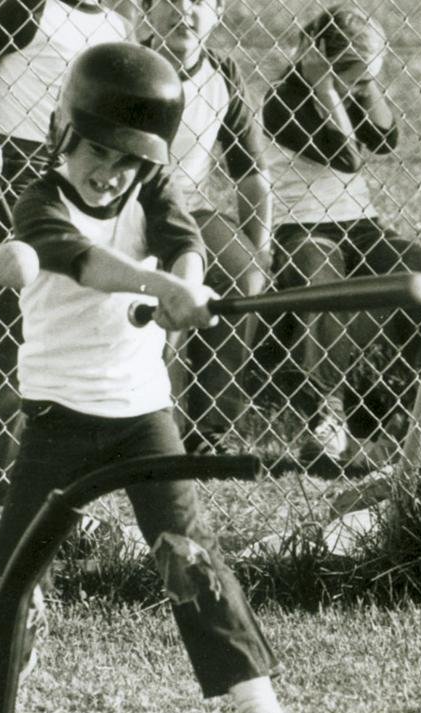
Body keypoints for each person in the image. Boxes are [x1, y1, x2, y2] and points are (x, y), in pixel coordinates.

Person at [0, 43, 298, 713]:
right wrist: (156, 286)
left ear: (151, 163)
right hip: (56, 419)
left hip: (140, 416)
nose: (108, 174)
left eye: (127, 162)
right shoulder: (38, 200)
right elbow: (86, 262)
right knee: (8, 581)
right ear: (61, 136)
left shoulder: (154, 194)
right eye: (95, 154)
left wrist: (189, 284)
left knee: (189, 560)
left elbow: (184, 242)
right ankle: (4, 665)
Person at [0, 0, 131, 522]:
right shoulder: (31, 8)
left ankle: (31, 478)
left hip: (77, 174)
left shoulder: (117, 22)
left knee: (59, 326)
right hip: (14, 172)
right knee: (16, 328)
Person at [262, 5, 421, 469]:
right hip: (304, 227)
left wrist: (361, 87)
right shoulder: (282, 99)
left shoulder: (352, 90)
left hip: (361, 225)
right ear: (324, 62)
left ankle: (409, 412)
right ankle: (327, 413)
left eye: (368, 76)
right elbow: (348, 156)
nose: (360, 85)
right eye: (354, 73)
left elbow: (387, 140)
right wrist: (325, 86)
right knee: (324, 281)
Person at [142, 0, 272, 454]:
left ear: (217, 11)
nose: (184, 10)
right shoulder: (128, 65)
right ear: (146, 9)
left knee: (243, 273)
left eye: (199, 0)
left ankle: (210, 432)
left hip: (190, 211)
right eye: (170, 0)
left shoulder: (223, 73)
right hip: (130, 209)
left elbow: (252, 175)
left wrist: (258, 254)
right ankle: (142, 424)